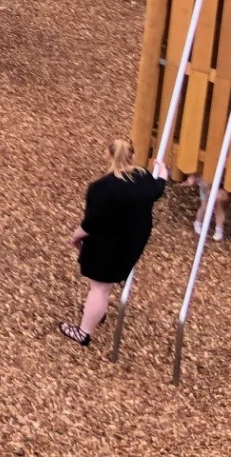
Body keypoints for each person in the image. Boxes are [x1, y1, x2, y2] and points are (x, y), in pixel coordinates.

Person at [62, 137, 168, 346]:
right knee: (105, 285)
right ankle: (95, 311)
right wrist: (163, 174)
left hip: (106, 244)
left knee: (99, 287)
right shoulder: (144, 178)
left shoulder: (101, 188)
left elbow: (91, 222)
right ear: (133, 156)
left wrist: (76, 236)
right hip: (131, 243)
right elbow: (157, 190)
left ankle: (84, 332)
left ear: (108, 155)